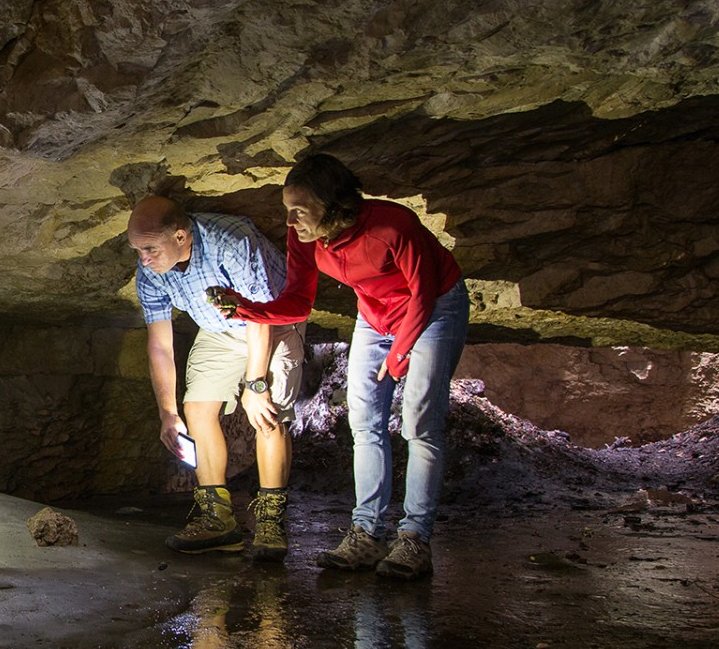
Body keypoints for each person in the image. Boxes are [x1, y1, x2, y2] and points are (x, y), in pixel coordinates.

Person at [211, 155, 469, 580]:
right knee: (364, 421)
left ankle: (415, 540)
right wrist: (246, 309)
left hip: (436, 308)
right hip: (375, 315)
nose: (290, 221)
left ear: (332, 205)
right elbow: (299, 301)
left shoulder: (393, 226)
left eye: (299, 210)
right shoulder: (306, 239)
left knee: (420, 422)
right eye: (287, 210)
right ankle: (366, 534)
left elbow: (423, 293)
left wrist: (400, 353)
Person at [127, 195, 306, 560]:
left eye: (149, 249)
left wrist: (256, 386)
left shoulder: (232, 242)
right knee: (195, 408)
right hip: (219, 328)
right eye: (137, 250)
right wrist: (167, 412)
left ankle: (271, 522)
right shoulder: (149, 272)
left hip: (273, 321)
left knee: (267, 414)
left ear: (180, 236)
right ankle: (218, 520)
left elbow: (260, 318)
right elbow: (160, 344)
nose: (143, 260)